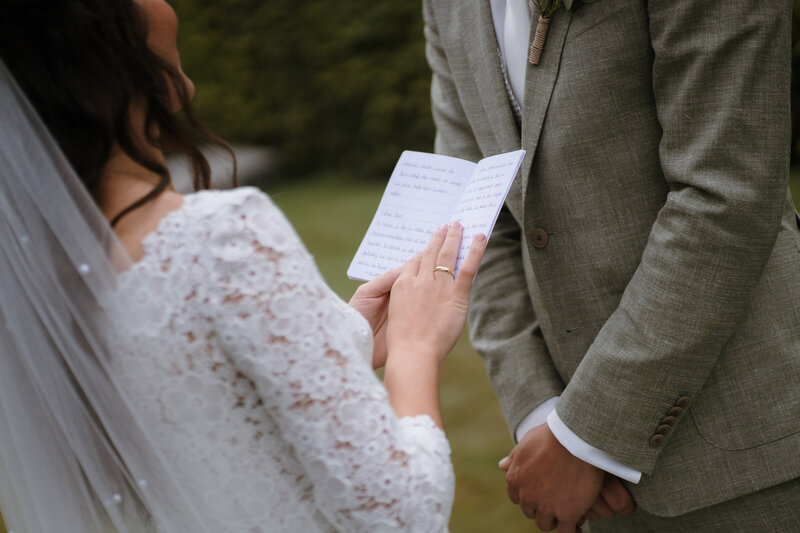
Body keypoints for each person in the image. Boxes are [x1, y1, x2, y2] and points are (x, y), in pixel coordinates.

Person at [0, 0, 487, 532]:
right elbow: (402, 513)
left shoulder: (27, 284)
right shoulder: (219, 237)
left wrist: (338, 340)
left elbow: (198, 411)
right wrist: (415, 349)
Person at [422, 0, 800, 531]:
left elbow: (725, 196)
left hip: (752, 457)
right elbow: (474, 218)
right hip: (584, 483)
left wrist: (587, 434)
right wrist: (541, 419)